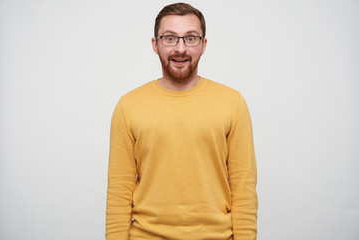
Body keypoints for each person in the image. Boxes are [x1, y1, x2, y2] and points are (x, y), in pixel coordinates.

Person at [106, 2, 258, 240]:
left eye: (190, 38)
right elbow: (119, 191)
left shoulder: (232, 102)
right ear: (155, 44)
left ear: (203, 45)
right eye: (169, 38)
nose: (180, 48)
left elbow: (243, 187)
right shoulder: (129, 106)